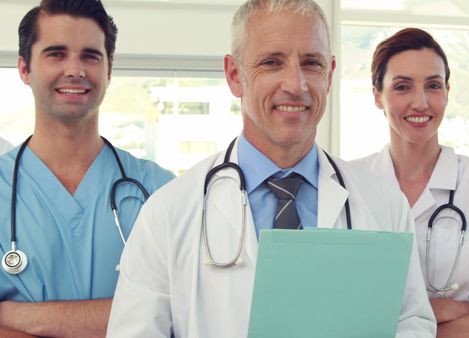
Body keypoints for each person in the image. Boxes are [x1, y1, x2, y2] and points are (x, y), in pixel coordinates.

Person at [106, 1, 436, 337]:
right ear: (235, 76)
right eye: (272, 63)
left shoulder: (384, 205)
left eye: (311, 63)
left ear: (330, 75)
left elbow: (412, 324)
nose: (296, 84)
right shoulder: (167, 213)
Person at [0, 1, 174, 337]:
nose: (75, 70)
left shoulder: (160, 190)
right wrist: (122, 315)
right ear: (24, 68)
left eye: (91, 56)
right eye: (56, 54)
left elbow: (177, 311)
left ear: (109, 71)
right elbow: (144, 320)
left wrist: (15, 315)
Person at [351, 28, 469, 337]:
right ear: (377, 95)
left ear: (447, 91)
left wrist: (399, 324)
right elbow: (339, 315)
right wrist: (448, 310)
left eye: (433, 86)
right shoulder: (348, 183)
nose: (420, 103)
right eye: (403, 87)